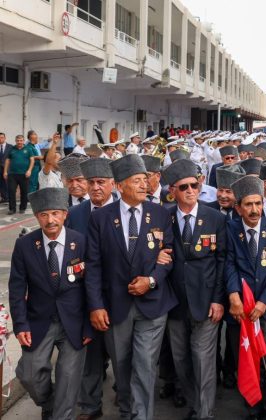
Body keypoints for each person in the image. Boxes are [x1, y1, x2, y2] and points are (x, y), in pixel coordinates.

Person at [85, 154, 177, 419]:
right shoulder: (101, 218)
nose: (143, 185)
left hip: (153, 304)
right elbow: (93, 266)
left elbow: (168, 254)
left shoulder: (160, 213)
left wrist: (151, 280)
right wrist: (96, 306)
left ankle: (139, 416)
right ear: (119, 185)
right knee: (122, 365)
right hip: (116, 305)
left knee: (145, 364)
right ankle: (128, 409)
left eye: (145, 180)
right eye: (136, 181)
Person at [9, 187, 92, 420]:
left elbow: (92, 286)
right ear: (36, 217)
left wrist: (88, 324)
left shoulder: (81, 242)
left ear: (65, 214)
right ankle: (50, 403)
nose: (50, 219)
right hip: (39, 321)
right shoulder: (25, 245)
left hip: (74, 324)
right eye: (44, 214)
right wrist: (21, 325)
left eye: (55, 213)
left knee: (68, 379)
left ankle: (60, 413)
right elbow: (17, 289)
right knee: (29, 374)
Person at [160, 159, 227, 420]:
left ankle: (205, 412)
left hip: (206, 299)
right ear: (173, 191)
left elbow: (222, 260)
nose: (191, 190)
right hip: (175, 302)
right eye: (184, 187)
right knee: (181, 359)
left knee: (202, 358)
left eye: (195, 185)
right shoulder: (164, 217)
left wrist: (218, 299)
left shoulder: (214, 217)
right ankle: (194, 404)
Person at [224, 176, 266, 420]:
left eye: (258, 204)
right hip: (239, 308)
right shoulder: (230, 229)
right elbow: (228, 264)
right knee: (245, 357)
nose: (254, 210)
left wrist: (264, 302)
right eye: (248, 205)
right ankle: (252, 406)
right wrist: (233, 296)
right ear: (238, 207)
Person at [66, 158, 116, 419]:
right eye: (91, 183)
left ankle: (126, 395)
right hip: (86, 294)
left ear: (112, 185)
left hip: (120, 294)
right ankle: (90, 405)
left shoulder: (125, 210)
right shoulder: (75, 215)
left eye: (101, 183)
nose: (95, 188)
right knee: (91, 354)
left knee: (123, 353)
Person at [4, 134, 35, 214]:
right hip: (12, 174)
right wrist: (5, 171)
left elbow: (32, 160)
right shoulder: (11, 149)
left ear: (23, 141)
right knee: (11, 191)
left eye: (21, 140)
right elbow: (7, 161)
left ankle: (22, 208)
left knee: (24, 192)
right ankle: (12, 209)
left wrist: (29, 170)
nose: (19, 142)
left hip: (24, 174)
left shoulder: (28, 149)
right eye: (18, 141)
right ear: (15, 141)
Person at [0, 132, 8, 202]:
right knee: (1, 183)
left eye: (2, 137)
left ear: (5, 138)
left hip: (7, 168)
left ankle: (8, 197)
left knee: (8, 183)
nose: (0, 139)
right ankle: (4, 197)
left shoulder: (10, 147)